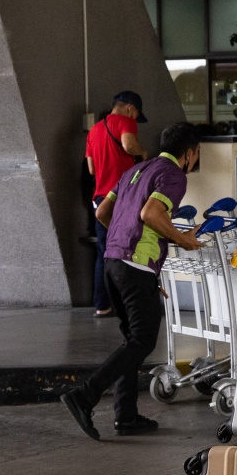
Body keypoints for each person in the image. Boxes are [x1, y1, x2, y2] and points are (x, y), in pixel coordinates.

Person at [62, 122, 205, 440]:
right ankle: (85, 395)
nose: (195, 160)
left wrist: (126, 242)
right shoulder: (173, 174)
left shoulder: (135, 171)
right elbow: (151, 214)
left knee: (133, 341)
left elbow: (103, 212)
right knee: (142, 340)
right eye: (196, 154)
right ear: (189, 153)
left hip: (113, 262)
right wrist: (182, 239)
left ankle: (125, 415)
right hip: (134, 265)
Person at [85, 92, 148, 315]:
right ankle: (129, 303)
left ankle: (102, 305)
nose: (135, 119)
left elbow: (91, 169)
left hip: (101, 199)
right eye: (136, 114)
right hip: (122, 196)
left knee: (104, 251)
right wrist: (143, 152)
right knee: (128, 249)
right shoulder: (125, 121)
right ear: (130, 108)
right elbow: (129, 146)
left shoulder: (94, 130)